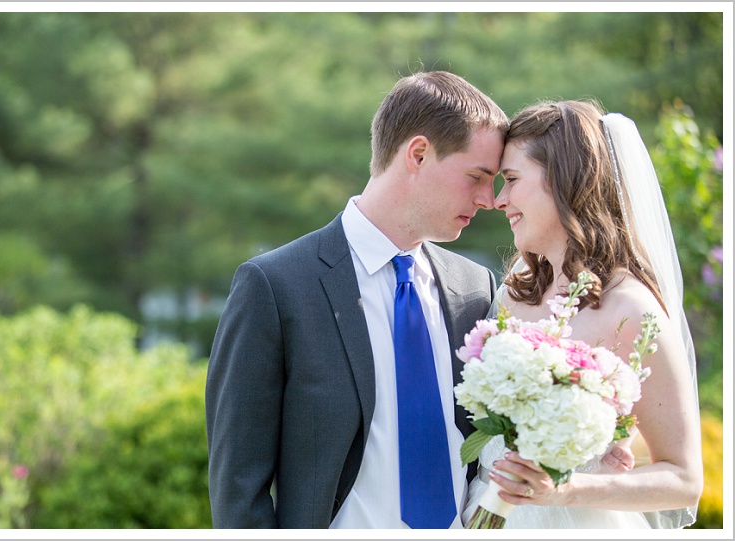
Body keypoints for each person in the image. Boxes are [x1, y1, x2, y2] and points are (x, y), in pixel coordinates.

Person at [206, 71, 633, 529]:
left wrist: (586, 438)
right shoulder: (275, 287)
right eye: (476, 176)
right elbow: (238, 486)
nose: (488, 200)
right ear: (418, 154)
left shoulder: (478, 289)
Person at [464, 99, 704, 528]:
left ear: (564, 181)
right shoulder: (512, 290)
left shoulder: (631, 310)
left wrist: (567, 488)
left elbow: (683, 478)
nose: (499, 200)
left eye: (513, 179)